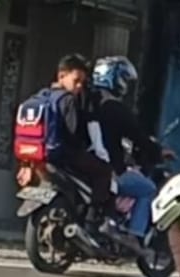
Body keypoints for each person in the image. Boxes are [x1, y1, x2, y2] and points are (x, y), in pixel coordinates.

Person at [89, 56, 174, 246]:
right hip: (110, 166)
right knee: (148, 189)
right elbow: (138, 137)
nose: (125, 85)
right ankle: (134, 235)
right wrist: (158, 152)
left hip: (88, 162)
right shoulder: (115, 108)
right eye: (124, 79)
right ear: (114, 78)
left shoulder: (90, 102)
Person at [19, 54, 116, 217]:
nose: (79, 86)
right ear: (61, 76)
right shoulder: (68, 100)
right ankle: (93, 217)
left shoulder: (41, 96)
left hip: (38, 155)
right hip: (64, 155)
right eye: (76, 80)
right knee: (104, 171)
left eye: (82, 83)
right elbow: (74, 131)